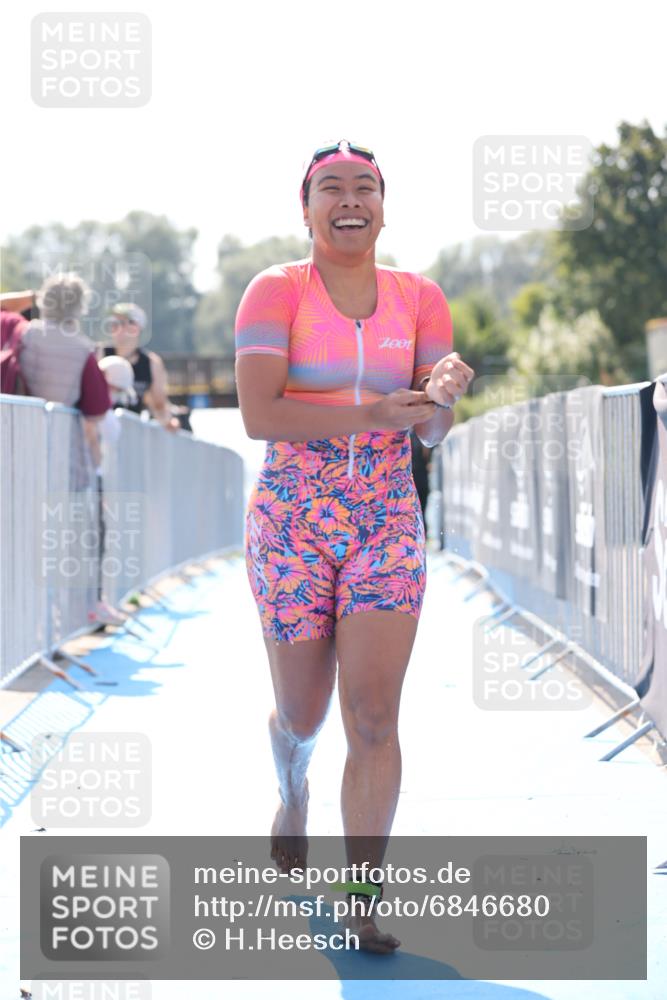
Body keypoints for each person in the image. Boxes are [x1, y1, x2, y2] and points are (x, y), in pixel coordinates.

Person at [234, 139, 475, 954]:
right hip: (292, 521)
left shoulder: (419, 296)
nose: (349, 199)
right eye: (330, 187)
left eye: (364, 187)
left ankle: (362, 898)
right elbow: (261, 415)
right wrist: (369, 416)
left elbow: (433, 431)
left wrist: (441, 397)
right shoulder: (275, 291)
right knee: (302, 714)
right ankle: (291, 782)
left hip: (384, 520)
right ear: (304, 209)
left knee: (372, 717)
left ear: (382, 204)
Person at [18, 273, 111, 469]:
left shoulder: (23, 333)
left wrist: (29, 297)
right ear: (79, 306)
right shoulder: (84, 349)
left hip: (16, 439)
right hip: (60, 449)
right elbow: (97, 410)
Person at [101, 303, 180, 431]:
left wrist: (169, 422)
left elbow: (159, 405)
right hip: (100, 430)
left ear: (135, 328)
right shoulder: (100, 353)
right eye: (113, 322)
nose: (114, 327)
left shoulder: (152, 363)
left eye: (121, 322)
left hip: (130, 435)